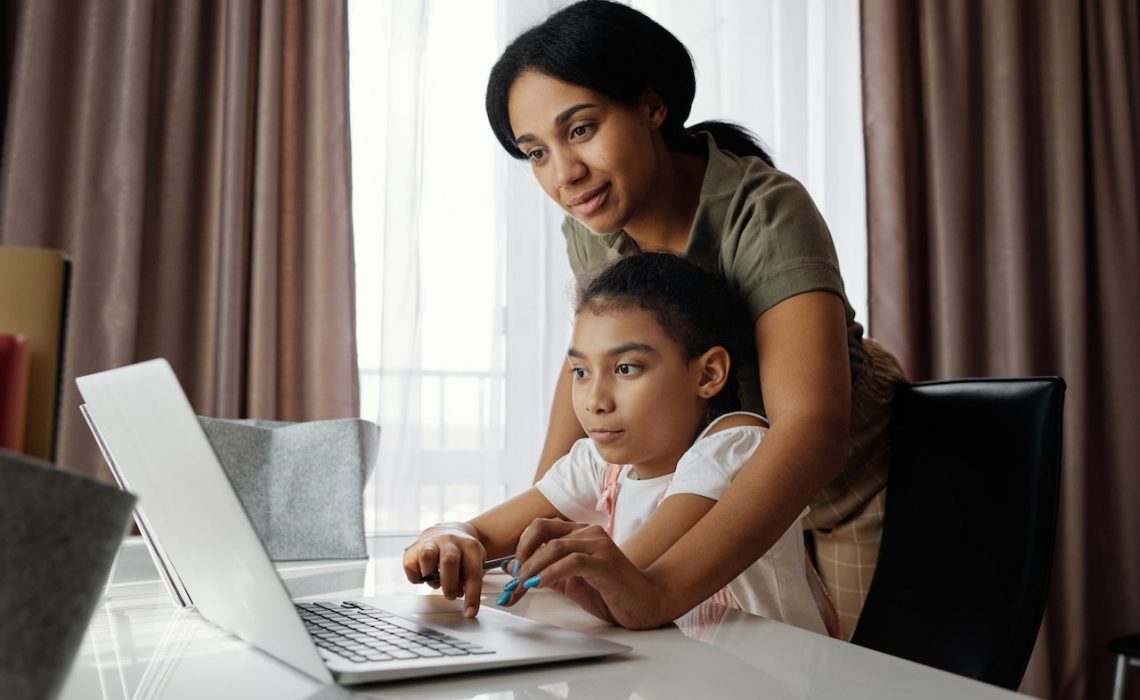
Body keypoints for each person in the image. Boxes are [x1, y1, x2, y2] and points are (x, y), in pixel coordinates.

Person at [479, 0, 907, 637]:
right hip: (712, 475)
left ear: (652, 107)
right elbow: (589, 364)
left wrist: (661, 590)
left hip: (841, 477)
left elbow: (812, 427)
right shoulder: (591, 226)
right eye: (535, 152)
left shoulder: (763, 209)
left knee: (853, 673)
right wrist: (529, 532)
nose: (564, 174)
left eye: (580, 130)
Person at [404, 252, 833, 636]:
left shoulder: (736, 446)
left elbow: (627, 579)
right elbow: (481, 531)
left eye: (626, 368)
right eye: (581, 372)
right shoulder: (600, 464)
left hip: (770, 678)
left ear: (707, 374)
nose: (594, 401)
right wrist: (448, 538)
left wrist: (538, 562)